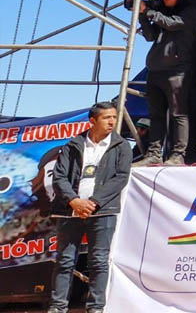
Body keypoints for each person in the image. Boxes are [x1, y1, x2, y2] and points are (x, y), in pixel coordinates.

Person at [48, 102, 131, 313]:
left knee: (99, 261)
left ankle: (95, 308)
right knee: (65, 260)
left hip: (102, 211)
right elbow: (59, 177)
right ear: (92, 121)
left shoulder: (121, 146)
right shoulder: (73, 144)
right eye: (107, 118)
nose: (112, 121)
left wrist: (93, 202)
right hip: (70, 210)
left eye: (114, 117)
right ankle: (58, 307)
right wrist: (74, 201)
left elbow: (120, 178)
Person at [133, 0, 196, 166]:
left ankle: (178, 155)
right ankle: (153, 154)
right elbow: (149, 36)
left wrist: (149, 11)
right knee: (156, 115)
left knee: (178, 114)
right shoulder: (162, 13)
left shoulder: (189, 12)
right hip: (155, 71)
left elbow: (172, 24)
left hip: (176, 72)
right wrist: (142, 16)